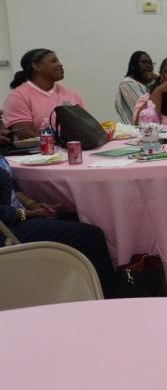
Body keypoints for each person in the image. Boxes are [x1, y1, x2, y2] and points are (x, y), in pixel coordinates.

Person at [0, 110, 115, 296]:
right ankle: (110, 299)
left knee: (79, 217)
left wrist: (32, 204)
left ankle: (78, 291)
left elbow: (10, 187)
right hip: (7, 228)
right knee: (92, 235)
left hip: (16, 217)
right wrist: (27, 214)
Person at [4, 49, 86, 138]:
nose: (60, 64)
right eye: (53, 61)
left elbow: (84, 128)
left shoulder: (71, 95)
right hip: (41, 150)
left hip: (72, 149)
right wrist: (58, 145)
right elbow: (25, 134)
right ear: (37, 66)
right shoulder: (18, 96)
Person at [115, 51, 157, 124]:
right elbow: (143, 112)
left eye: (150, 63)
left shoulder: (152, 82)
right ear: (133, 65)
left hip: (153, 127)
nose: (148, 65)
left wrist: (158, 80)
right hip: (134, 131)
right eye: (144, 62)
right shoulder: (127, 83)